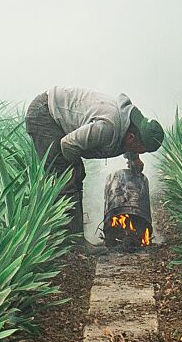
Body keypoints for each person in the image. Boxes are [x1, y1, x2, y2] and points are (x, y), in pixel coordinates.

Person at [24, 86, 164, 239]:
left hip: (56, 115)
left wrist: (134, 159)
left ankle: (72, 238)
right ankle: (72, 245)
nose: (140, 152)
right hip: (45, 115)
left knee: (75, 177)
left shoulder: (134, 124)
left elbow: (131, 136)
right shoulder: (107, 128)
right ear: (132, 138)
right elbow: (67, 145)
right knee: (67, 180)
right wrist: (76, 168)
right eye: (141, 149)